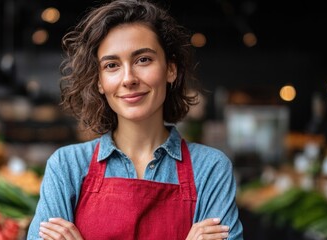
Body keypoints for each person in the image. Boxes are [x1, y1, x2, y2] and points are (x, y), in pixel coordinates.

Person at [27, 0, 244, 239]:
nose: (128, 78)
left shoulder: (211, 168)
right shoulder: (66, 166)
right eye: (111, 65)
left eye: (143, 60)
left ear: (171, 69)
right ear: (99, 81)